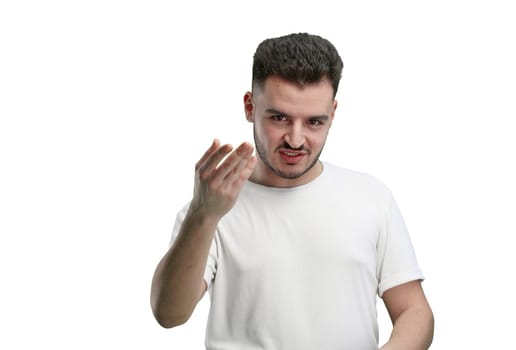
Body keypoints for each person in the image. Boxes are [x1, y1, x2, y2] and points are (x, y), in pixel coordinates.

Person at [150, 32, 434, 350]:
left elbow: (414, 309)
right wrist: (203, 216)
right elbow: (169, 314)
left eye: (314, 122)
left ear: (333, 114)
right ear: (249, 106)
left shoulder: (371, 197)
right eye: (280, 118)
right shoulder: (212, 208)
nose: (296, 140)